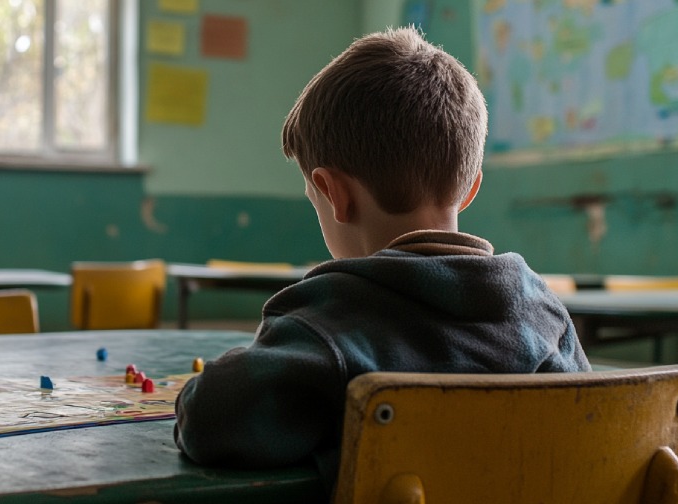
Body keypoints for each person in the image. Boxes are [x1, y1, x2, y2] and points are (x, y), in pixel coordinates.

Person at [173, 26, 591, 494]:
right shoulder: (543, 312)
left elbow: (209, 422)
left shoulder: (329, 322)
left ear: (334, 195)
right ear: (471, 187)